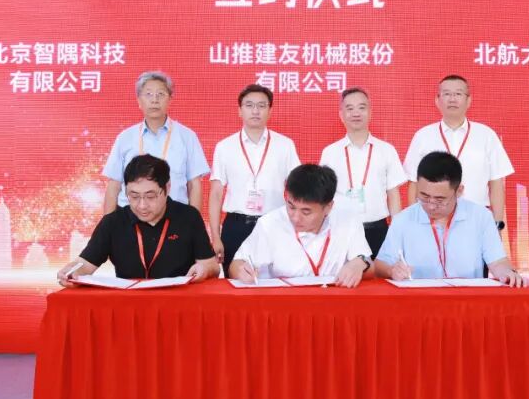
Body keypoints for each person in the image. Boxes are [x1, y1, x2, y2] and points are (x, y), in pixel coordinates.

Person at [57, 155, 219, 286]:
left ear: (167, 188)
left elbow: (212, 266)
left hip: (178, 303)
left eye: (150, 196)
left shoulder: (189, 217)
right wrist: (71, 272)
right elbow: (84, 264)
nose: (142, 205)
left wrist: (203, 269)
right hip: (129, 304)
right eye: (134, 196)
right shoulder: (112, 223)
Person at [374, 152, 526, 287]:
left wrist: (507, 273)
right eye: (424, 196)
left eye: (440, 200)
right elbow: (380, 265)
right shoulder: (403, 220)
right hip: (419, 301)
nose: (431, 206)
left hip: (467, 302)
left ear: (459, 191)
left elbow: (498, 261)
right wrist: (391, 270)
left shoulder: (481, 217)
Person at [402, 74, 514, 236]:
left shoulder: (486, 135)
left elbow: (496, 183)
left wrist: (497, 225)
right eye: (447, 94)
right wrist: (415, 222)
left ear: (469, 101)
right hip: (433, 219)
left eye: (458, 94)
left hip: (477, 219)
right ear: (437, 100)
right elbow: (413, 183)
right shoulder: (423, 136)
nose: (452, 99)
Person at [228, 165, 372, 288]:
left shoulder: (348, 221)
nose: (295, 218)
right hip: (284, 303)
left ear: (328, 207)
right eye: (291, 207)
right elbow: (236, 265)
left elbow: (371, 268)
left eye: (306, 211)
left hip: (335, 303)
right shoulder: (270, 224)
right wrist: (241, 271)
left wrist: (359, 264)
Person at [208, 84, 301, 274]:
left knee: (276, 280)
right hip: (236, 226)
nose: (255, 111)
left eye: (261, 105)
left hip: (274, 224)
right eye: (249, 105)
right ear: (240, 110)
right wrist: (216, 237)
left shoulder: (285, 145)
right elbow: (216, 194)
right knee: (236, 281)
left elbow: (297, 190)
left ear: (270, 111)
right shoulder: (224, 147)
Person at [102, 71, 210, 214]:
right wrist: (108, 224)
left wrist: (193, 223)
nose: (154, 100)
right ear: (139, 101)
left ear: (170, 99)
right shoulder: (125, 138)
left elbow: (194, 185)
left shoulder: (187, 136)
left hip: (175, 215)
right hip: (131, 216)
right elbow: (114, 185)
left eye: (160, 94)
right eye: (148, 94)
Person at [318, 87, 406, 258]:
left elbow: (393, 194)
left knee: (380, 274)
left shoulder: (386, 150)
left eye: (361, 107)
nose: (356, 113)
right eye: (349, 108)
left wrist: (397, 231)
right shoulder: (330, 152)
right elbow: (324, 195)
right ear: (341, 115)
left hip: (378, 229)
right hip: (342, 230)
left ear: (370, 112)